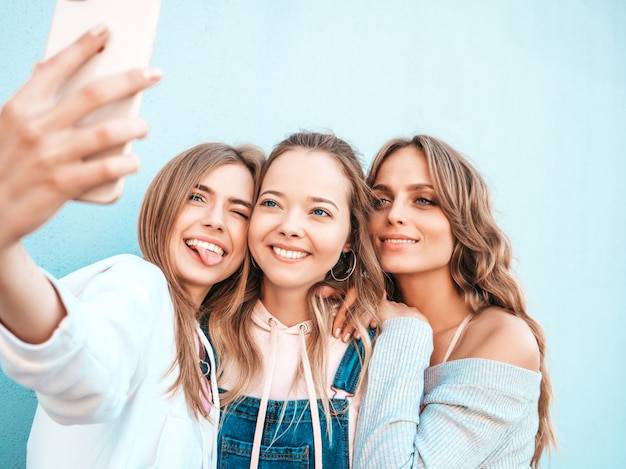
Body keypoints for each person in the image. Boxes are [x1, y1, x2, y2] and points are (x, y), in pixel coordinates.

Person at [0, 27, 265, 468]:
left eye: (239, 210)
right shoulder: (140, 283)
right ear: (164, 205)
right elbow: (86, 372)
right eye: (197, 197)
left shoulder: (201, 349)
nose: (216, 221)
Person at [353, 135, 556, 468]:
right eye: (380, 200)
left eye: (424, 200)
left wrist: (406, 328)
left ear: (462, 221)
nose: (395, 214)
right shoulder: (365, 320)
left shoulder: (501, 338)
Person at [208, 132, 386, 469]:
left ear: (350, 237)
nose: (289, 227)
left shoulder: (371, 347)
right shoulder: (205, 336)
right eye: (272, 203)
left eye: (319, 211)